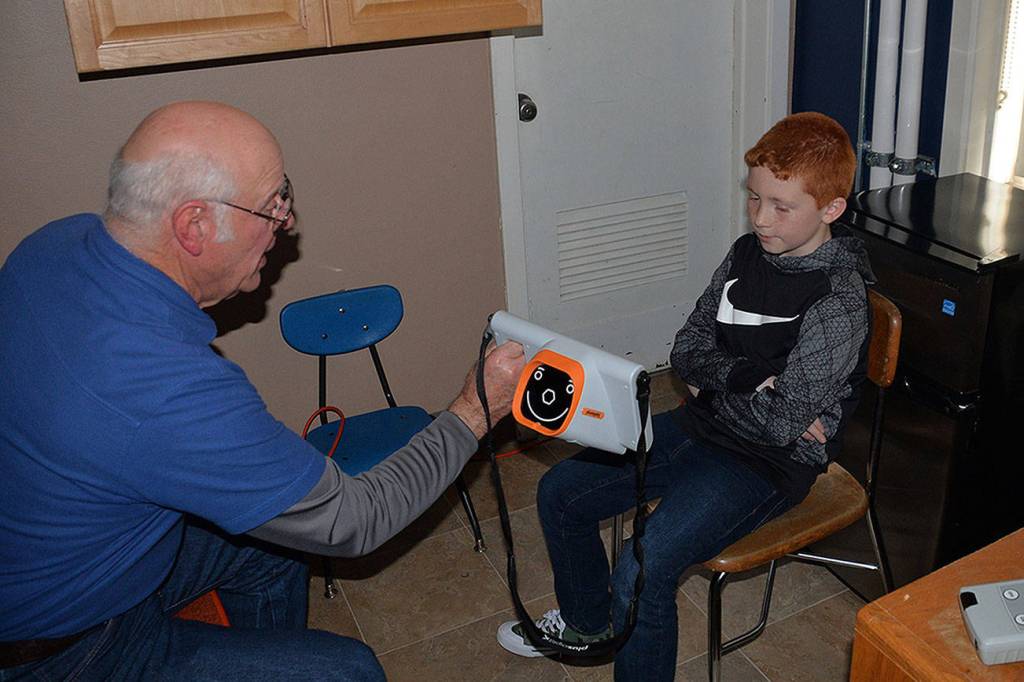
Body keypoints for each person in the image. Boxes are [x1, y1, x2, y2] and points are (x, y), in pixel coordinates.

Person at [0, 101, 525, 681]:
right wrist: (476, 409)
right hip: (64, 645)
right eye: (272, 203)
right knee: (347, 672)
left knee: (269, 545)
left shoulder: (56, 245)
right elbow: (356, 519)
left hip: (59, 551)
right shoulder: (166, 388)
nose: (287, 222)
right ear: (195, 226)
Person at [496, 111, 874, 680]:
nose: (761, 219)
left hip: (767, 465)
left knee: (640, 571)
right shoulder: (747, 254)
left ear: (831, 209)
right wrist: (750, 380)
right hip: (703, 428)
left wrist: (722, 384)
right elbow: (686, 347)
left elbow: (777, 428)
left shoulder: (839, 302)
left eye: (780, 206)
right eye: (754, 199)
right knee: (559, 492)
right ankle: (588, 625)